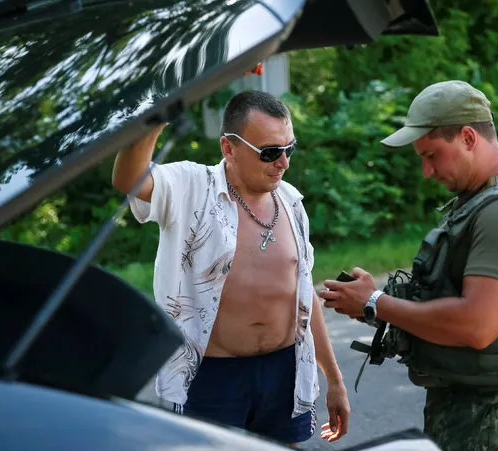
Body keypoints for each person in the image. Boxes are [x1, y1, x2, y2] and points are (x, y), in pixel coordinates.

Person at [318, 80, 498, 450]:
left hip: (492, 423)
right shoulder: (479, 203)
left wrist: (377, 301)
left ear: (469, 138)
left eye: (432, 155)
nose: (427, 171)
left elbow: (476, 325)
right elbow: (448, 297)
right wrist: (373, 301)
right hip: (466, 411)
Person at [112, 90, 350, 446]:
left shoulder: (291, 202)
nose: (283, 162)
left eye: (289, 149)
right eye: (270, 152)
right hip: (213, 376)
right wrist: (158, 114)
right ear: (228, 148)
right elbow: (128, 180)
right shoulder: (192, 186)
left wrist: (334, 378)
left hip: (284, 371)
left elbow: (302, 295)